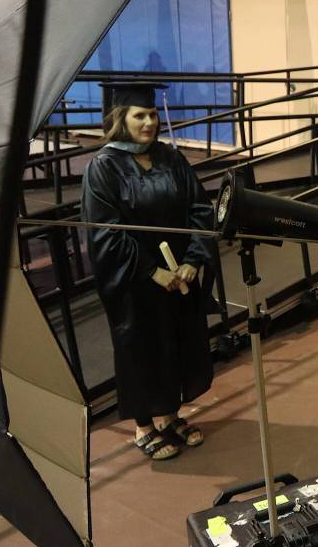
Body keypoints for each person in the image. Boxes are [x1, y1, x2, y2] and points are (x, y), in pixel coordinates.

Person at [81, 82, 215, 461]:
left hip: (179, 278)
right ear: (119, 119)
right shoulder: (103, 168)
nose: (149, 122)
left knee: (175, 343)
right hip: (136, 283)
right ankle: (143, 425)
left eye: (153, 115)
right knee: (139, 349)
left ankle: (169, 417)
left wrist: (193, 259)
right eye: (140, 115)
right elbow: (104, 231)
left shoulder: (171, 158)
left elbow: (200, 209)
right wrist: (151, 271)